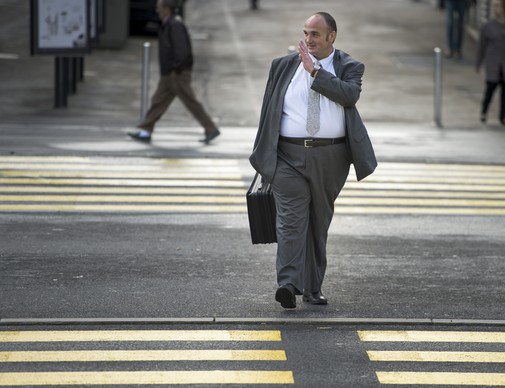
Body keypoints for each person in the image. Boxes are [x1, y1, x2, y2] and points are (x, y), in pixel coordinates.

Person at [249, 12, 377, 309]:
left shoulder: (349, 67)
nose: (308, 39)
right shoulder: (282, 66)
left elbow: (349, 97)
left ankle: (312, 287)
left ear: (332, 36)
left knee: (317, 223)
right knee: (291, 222)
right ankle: (288, 284)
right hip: (288, 156)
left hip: (330, 157)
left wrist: (316, 72)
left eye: (315, 35)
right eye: (306, 33)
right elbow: (269, 110)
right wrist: (264, 153)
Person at [128, 0, 220, 145]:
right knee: (158, 101)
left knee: (190, 101)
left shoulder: (175, 25)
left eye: (159, 8)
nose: (157, 11)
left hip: (176, 73)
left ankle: (210, 127)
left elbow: (182, 51)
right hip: (170, 73)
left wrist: (176, 69)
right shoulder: (169, 24)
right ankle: (146, 130)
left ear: (166, 9)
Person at [475, 0, 505, 126]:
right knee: (490, 88)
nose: (495, 9)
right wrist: (478, 63)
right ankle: (484, 111)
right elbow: (481, 46)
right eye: (494, 6)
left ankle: (503, 116)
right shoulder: (488, 26)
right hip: (493, 61)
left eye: (498, 6)